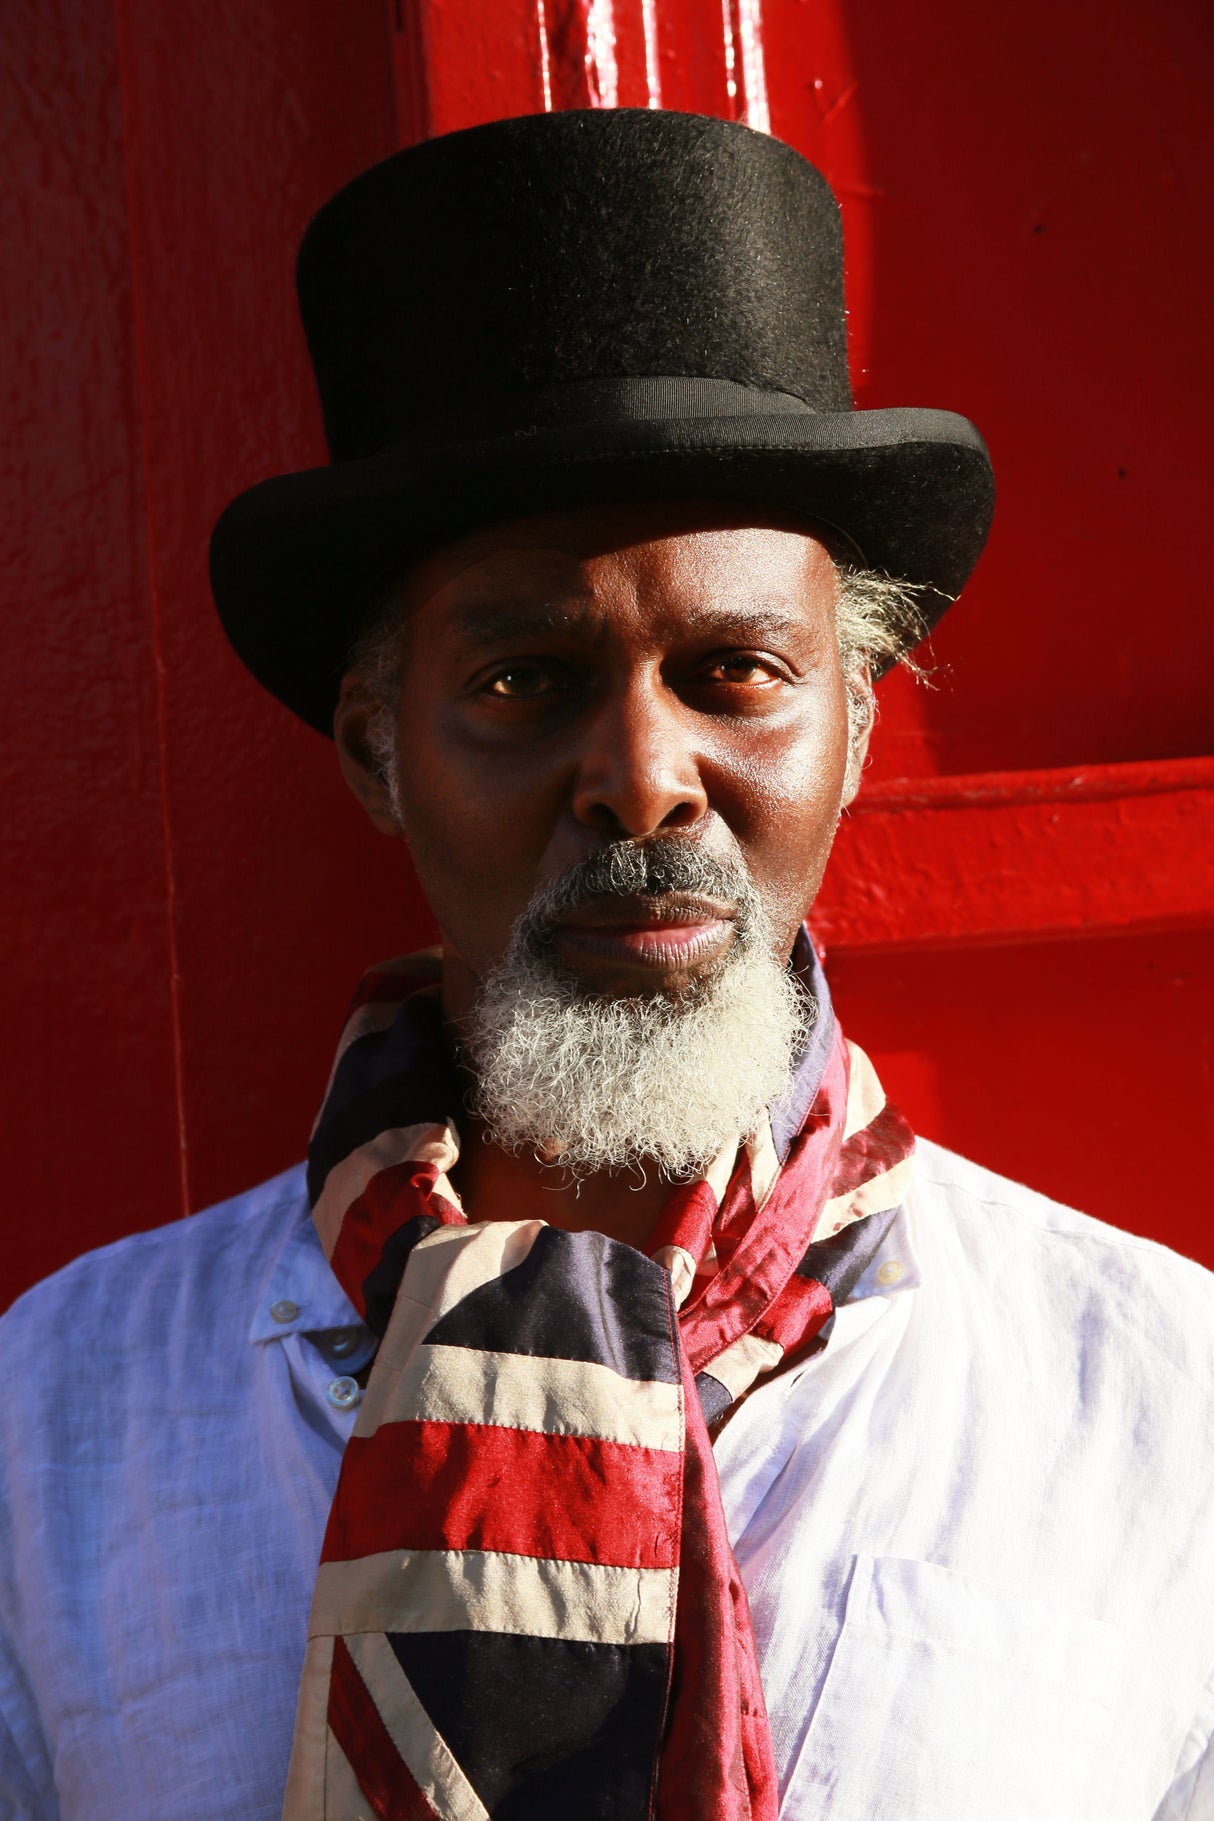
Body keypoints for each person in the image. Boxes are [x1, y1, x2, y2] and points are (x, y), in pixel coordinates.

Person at [1, 107, 1211, 1821]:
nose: (641, 779)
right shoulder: (58, 1420)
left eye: (732, 673)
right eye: (521, 681)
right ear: (375, 749)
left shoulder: (1157, 1403)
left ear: (857, 728)